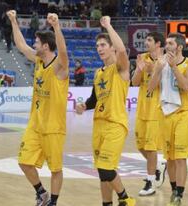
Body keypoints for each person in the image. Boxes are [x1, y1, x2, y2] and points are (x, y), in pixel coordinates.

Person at [8, 10, 69, 206]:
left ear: (45, 46)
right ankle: (41, 192)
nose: (33, 44)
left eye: (36, 42)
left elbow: (64, 54)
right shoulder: (39, 61)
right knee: (24, 162)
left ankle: (53, 202)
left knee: (55, 169)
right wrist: (13, 21)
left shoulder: (59, 67)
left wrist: (57, 27)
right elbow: (20, 45)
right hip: (35, 125)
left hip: (53, 128)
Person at [75, 16, 136, 206]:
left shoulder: (121, 68)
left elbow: (122, 50)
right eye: (97, 46)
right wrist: (84, 106)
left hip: (115, 124)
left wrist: (108, 25)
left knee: (105, 166)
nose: (99, 48)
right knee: (102, 172)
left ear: (111, 48)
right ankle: (106, 203)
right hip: (98, 125)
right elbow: (95, 99)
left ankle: (126, 198)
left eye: (103, 45)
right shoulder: (97, 73)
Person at [148, 33, 188, 206]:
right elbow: (150, 88)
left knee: (180, 157)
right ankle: (174, 188)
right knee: (169, 157)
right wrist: (159, 69)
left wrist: (174, 66)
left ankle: (179, 194)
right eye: (166, 43)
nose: (166, 46)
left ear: (179, 47)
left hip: (182, 112)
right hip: (164, 112)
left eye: (170, 43)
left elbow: (187, 86)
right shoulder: (159, 62)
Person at [131, 31, 165, 196]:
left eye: (149, 40)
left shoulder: (165, 60)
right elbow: (135, 82)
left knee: (151, 148)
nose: (146, 42)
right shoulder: (142, 58)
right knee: (140, 146)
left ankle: (150, 182)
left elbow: (162, 83)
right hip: (142, 108)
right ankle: (158, 167)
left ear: (158, 44)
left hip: (156, 110)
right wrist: (139, 69)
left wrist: (153, 69)